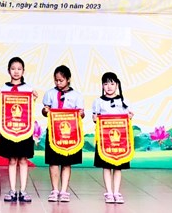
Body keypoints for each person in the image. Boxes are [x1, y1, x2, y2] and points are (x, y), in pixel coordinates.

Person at [41, 65, 84, 203]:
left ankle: (64, 191)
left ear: (68, 79)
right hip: (53, 133)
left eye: (61, 80)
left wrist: (81, 114)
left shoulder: (77, 96)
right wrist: (45, 111)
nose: (58, 83)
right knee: (53, 162)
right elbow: (44, 111)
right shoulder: (50, 93)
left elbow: (81, 114)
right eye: (56, 80)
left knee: (66, 163)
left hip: (69, 135)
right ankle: (54, 190)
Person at [0, 57, 38, 203]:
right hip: (9, 129)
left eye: (19, 69)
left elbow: (29, 109)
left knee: (23, 160)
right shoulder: (3, 89)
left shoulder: (28, 89)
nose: (16, 72)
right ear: (8, 71)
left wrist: (34, 98)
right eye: (13, 69)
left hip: (24, 130)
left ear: (23, 71)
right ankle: (12, 190)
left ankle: (22, 190)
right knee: (12, 160)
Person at [92, 71, 132, 205]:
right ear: (102, 86)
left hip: (120, 141)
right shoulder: (98, 102)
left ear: (117, 85)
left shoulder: (124, 101)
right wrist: (95, 118)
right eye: (105, 84)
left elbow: (128, 118)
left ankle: (116, 192)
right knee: (106, 166)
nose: (109, 87)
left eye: (112, 83)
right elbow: (94, 118)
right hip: (104, 140)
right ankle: (109, 193)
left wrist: (130, 116)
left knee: (118, 166)